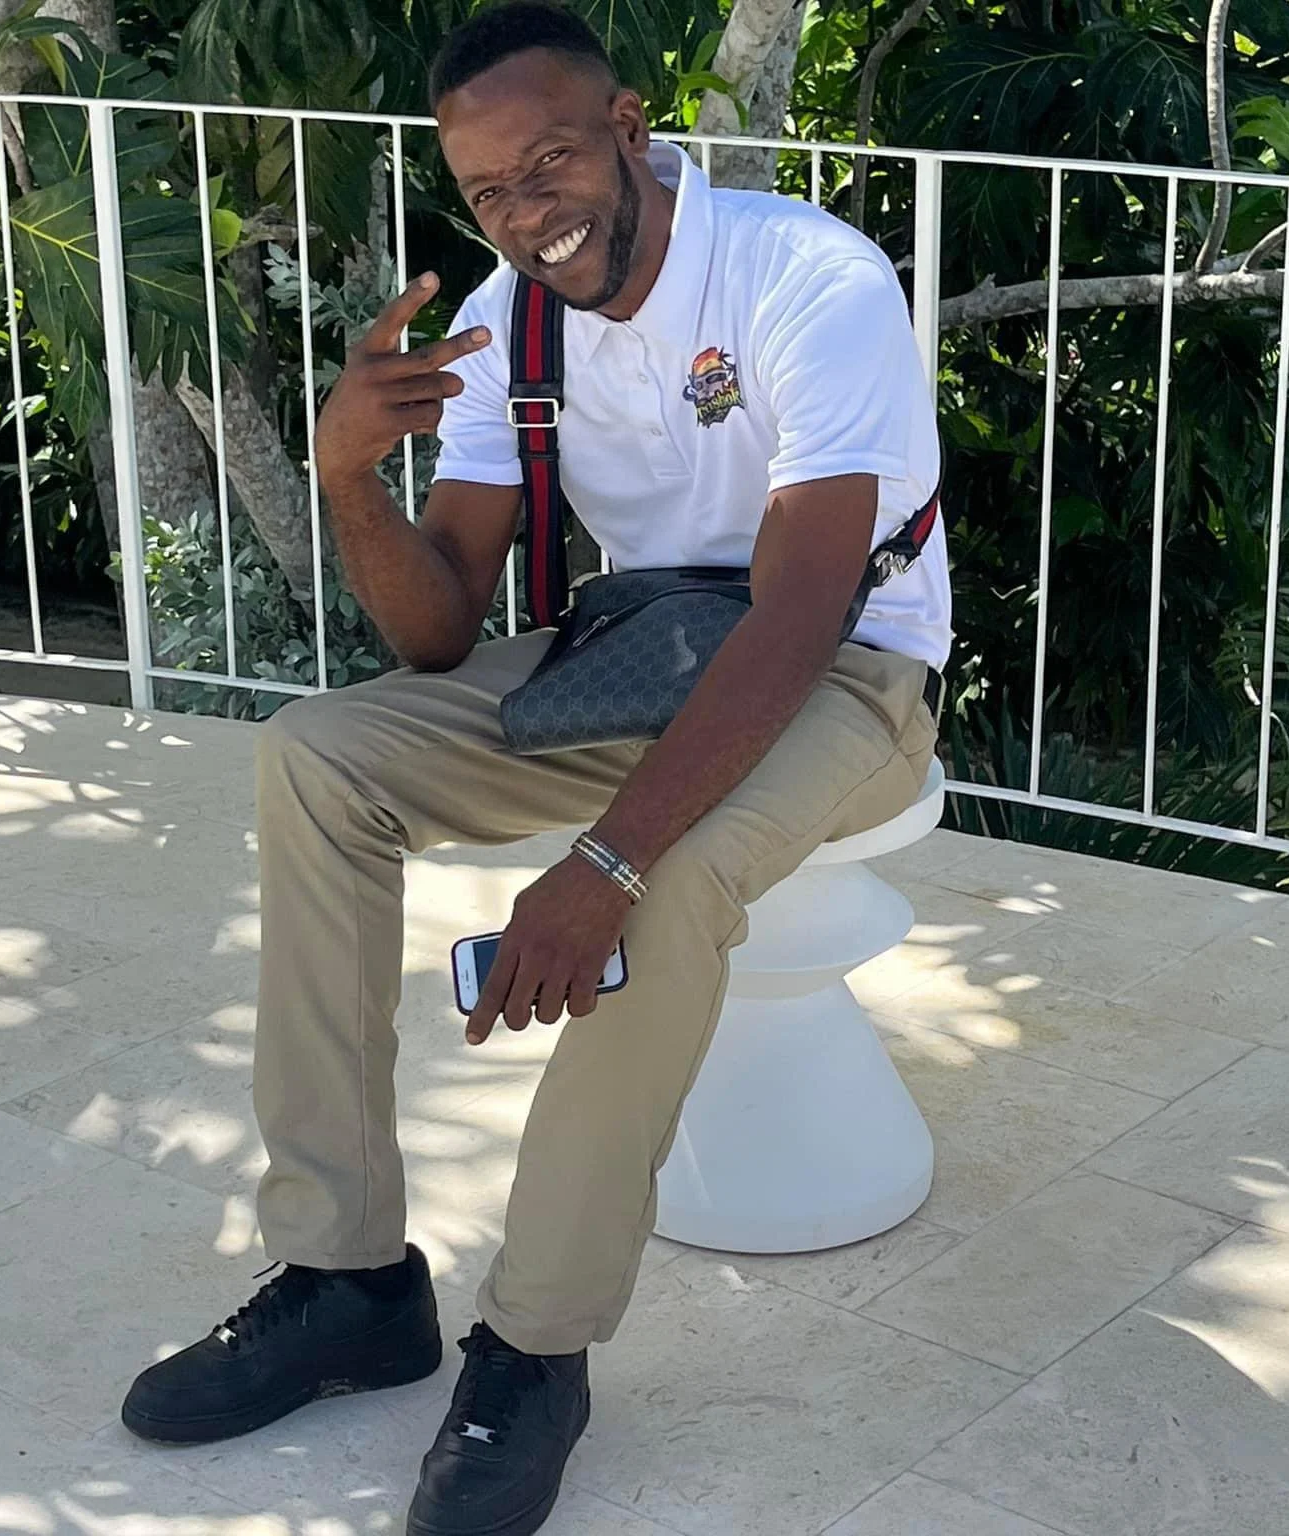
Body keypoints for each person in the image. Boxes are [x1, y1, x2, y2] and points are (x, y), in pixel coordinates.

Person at [121, 4, 951, 1533]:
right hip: (642, 652)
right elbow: (438, 625)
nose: (527, 212)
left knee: (674, 876)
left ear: (631, 128)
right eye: (490, 191)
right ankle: (345, 1277)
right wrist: (346, 474)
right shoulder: (513, 313)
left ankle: (534, 1351)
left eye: (552, 160)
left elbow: (806, 605)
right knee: (317, 759)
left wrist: (606, 864)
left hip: (840, 663)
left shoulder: (804, 276)